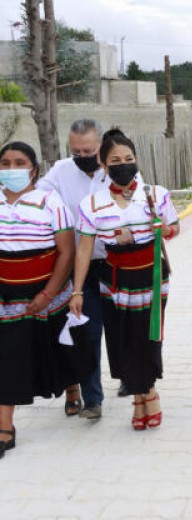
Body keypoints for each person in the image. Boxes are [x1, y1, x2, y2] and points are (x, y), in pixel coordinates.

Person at [70, 129, 181, 431]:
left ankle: (148, 395)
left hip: (152, 278)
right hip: (115, 283)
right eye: (115, 160)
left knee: (148, 336)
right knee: (122, 340)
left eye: (129, 158)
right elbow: (84, 250)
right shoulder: (92, 204)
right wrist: (77, 290)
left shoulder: (155, 194)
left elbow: (175, 228)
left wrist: (162, 229)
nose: (124, 164)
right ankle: (140, 394)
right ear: (104, 166)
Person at [0, 142, 90, 458]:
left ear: (34, 169)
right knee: (7, 357)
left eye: (19, 163)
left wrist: (48, 293)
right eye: (5, 163)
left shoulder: (51, 203)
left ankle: (72, 387)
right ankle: (5, 426)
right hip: (7, 295)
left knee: (59, 347)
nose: (11, 170)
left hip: (48, 291)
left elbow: (66, 251)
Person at [38, 118, 115, 418]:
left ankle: (129, 380)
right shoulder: (60, 172)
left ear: (101, 145)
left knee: (120, 329)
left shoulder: (116, 166)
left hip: (115, 262)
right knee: (88, 331)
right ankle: (92, 398)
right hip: (79, 268)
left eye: (89, 151)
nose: (83, 157)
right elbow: (39, 198)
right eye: (77, 152)